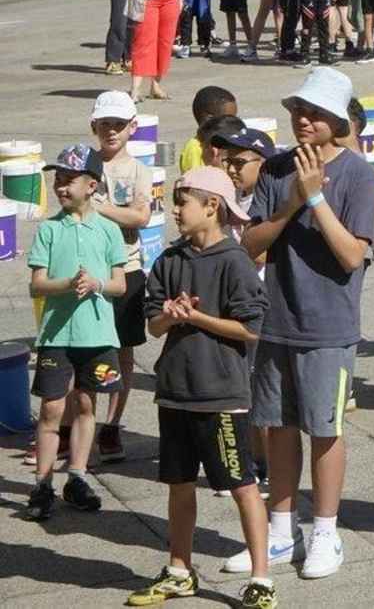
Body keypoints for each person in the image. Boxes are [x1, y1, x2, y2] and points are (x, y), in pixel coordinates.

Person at [232, 68, 374, 580]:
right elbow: (249, 247)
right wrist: (293, 200)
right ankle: (279, 528)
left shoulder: (359, 175)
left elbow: (351, 257)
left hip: (328, 324)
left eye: (314, 112)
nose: (302, 120)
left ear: (337, 120)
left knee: (325, 429)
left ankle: (326, 531)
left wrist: (316, 197)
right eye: (298, 110)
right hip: (276, 317)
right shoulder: (274, 170)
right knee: (277, 427)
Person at [127, 167, 273, 609]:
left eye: (183, 200)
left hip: (222, 396)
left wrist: (198, 318)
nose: (174, 209)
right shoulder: (170, 260)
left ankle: (262, 578)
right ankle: (178, 569)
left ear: (212, 206)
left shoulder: (235, 262)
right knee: (178, 483)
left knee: (241, 485)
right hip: (175, 391)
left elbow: (250, 330)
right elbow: (153, 327)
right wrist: (171, 315)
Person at [24, 145, 127, 522]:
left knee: (86, 404)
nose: (61, 187)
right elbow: (37, 284)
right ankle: (43, 483)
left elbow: (119, 282)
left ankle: (77, 477)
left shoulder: (109, 230)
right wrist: (68, 283)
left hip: (98, 334)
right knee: (52, 407)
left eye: (69, 180)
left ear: (91, 185)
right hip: (57, 334)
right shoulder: (50, 229)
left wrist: (97, 283)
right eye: (58, 180)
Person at [81, 91, 152, 464]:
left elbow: (140, 218)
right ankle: (77, 425)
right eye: (105, 124)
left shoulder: (139, 170)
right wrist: (116, 212)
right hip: (86, 270)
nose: (111, 131)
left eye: (119, 125)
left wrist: (96, 207)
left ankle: (112, 424)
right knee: (85, 349)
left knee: (124, 349)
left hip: (127, 268)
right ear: (94, 126)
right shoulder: (82, 163)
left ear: (132, 128)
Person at [180, 86, 238, 174]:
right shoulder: (196, 149)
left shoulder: (218, 144)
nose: (235, 123)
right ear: (209, 119)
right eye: (229, 118)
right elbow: (199, 183)